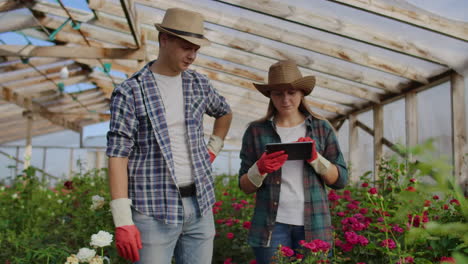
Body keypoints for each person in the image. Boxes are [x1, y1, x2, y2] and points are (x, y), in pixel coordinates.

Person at [106, 8, 232, 264]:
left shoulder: (199, 84)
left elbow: (224, 113)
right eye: (187, 47)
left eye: (196, 49)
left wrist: (212, 150)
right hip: (153, 211)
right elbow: (118, 156)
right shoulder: (131, 91)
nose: (192, 55)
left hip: (200, 206)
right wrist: (123, 221)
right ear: (164, 40)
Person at [238, 60, 348, 264]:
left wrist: (316, 159)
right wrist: (259, 169)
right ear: (270, 95)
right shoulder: (256, 131)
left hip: (314, 226)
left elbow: (340, 180)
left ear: (301, 93)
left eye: (291, 92)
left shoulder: (321, 128)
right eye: (278, 93)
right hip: (271, 227)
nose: (285, 99)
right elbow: (245, 186)